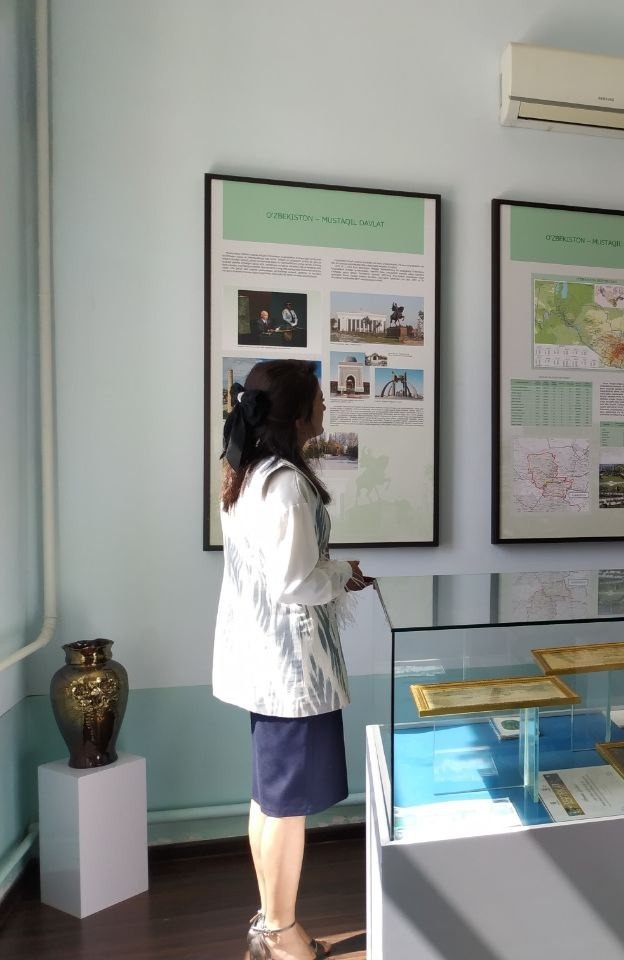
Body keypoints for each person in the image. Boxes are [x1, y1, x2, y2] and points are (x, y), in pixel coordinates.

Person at [212, 359, 371, 960]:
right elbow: (296, 582)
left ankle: (272, 925)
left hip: (263, 662)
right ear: (299, 413)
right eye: (320, 400)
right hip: (290, 671)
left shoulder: (247, 473)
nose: (326, 408)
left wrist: (332, 572)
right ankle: (279, 934)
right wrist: (342, 572)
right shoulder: (286, 484)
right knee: (283, 807)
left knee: (269, 799)